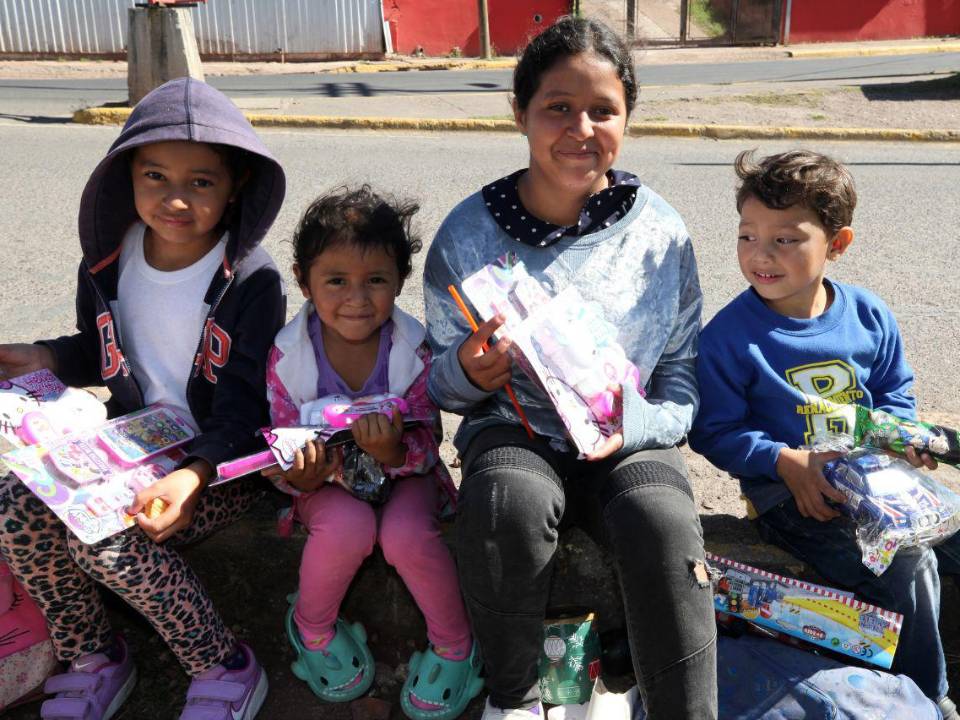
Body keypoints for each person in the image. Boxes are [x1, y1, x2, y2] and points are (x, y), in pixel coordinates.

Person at [423, 16, 717, 720]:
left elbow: (681, 375)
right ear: (520, 113)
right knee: (505, 505)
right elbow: (436, 381)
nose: (580, 128)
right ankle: (515, 699)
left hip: (627, 442)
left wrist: (637, 425)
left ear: (627, 118)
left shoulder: (659, 233)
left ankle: (681, 707)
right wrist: (469, 370)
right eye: (558, 107)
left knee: (662, 521)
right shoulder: (469, 233)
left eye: (603, 110)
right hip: (514, 432)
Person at [0, 77, 286, 720]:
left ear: (234, 184)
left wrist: (194, 475)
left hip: (219, 465)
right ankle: (93, 654)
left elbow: (246, 409)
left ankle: (221, 664)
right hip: (130, 443)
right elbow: (99, 346)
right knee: (14, 504)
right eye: (155, 175)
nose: (175, 198)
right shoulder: (109, 260)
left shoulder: (251, 279)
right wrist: (47, 358)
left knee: (102, 538)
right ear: (127, 173)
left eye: (201, 181)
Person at [688, 149, 960, 718]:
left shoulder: (868, 315)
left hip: (880, 484)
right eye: (747, 235)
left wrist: (901, 439)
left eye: (786, 239)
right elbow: (713, 431)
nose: (760, 254)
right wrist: (785, 461)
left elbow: (894, 395)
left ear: (837, 245)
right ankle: (927, 697)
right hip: (795, 500)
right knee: (910, 566)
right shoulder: (729, 338)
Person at [263, 187, 482, 720]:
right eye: (336, 281)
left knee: (406, 534)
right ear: (303, 279)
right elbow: (278, 441)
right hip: (329, 487)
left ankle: (456, 645)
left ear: (400, 280)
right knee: (346, 528)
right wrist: (303, 477)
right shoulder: (287, 356)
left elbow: (429, 438)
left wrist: (393, 452)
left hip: (406, 478)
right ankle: (312, 629)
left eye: (376, 281)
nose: (357, 299)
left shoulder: (415, 349)